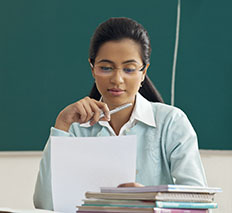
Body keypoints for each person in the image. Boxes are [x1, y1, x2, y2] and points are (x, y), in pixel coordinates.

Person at [33, 17, 207, 210]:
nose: (117, 79)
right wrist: (62, 125)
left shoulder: (171, 122)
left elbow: (198, 203)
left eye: (129, 69)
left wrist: (151, 203)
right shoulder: (75, 127)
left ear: (143, 72)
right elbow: (45, 204)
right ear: (92, 68)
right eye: (106, 68)